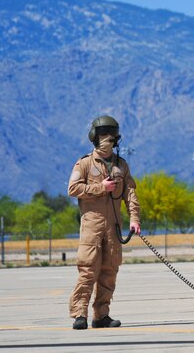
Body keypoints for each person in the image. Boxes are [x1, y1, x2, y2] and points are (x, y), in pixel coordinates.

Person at [67, 115, 141, 330]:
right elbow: (72, 189)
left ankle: (101, 315)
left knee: (109, 271)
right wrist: (101, 188)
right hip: (92, 226)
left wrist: (134, 220)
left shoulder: (121, 165)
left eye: (111, 135)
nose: (107, 139)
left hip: (114, 228)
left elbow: (131, 194)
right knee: (88, 270)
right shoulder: (84, 164)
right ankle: (79, 314)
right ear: (95, 137)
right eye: (102, 134)